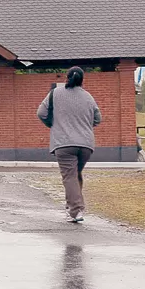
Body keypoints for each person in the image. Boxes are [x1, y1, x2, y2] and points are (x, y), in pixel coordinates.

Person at [37, 67, 101, 223]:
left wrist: (52, 124)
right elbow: (98, 119)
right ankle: (71, 206)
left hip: (64, 143)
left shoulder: (55, 93)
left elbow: (41, 113)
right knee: (75, 174)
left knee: (69, 176)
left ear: (67, 78)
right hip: (86, 145)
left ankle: (76, 211)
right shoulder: (88, 97)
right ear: (82, 79)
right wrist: (83, 126)